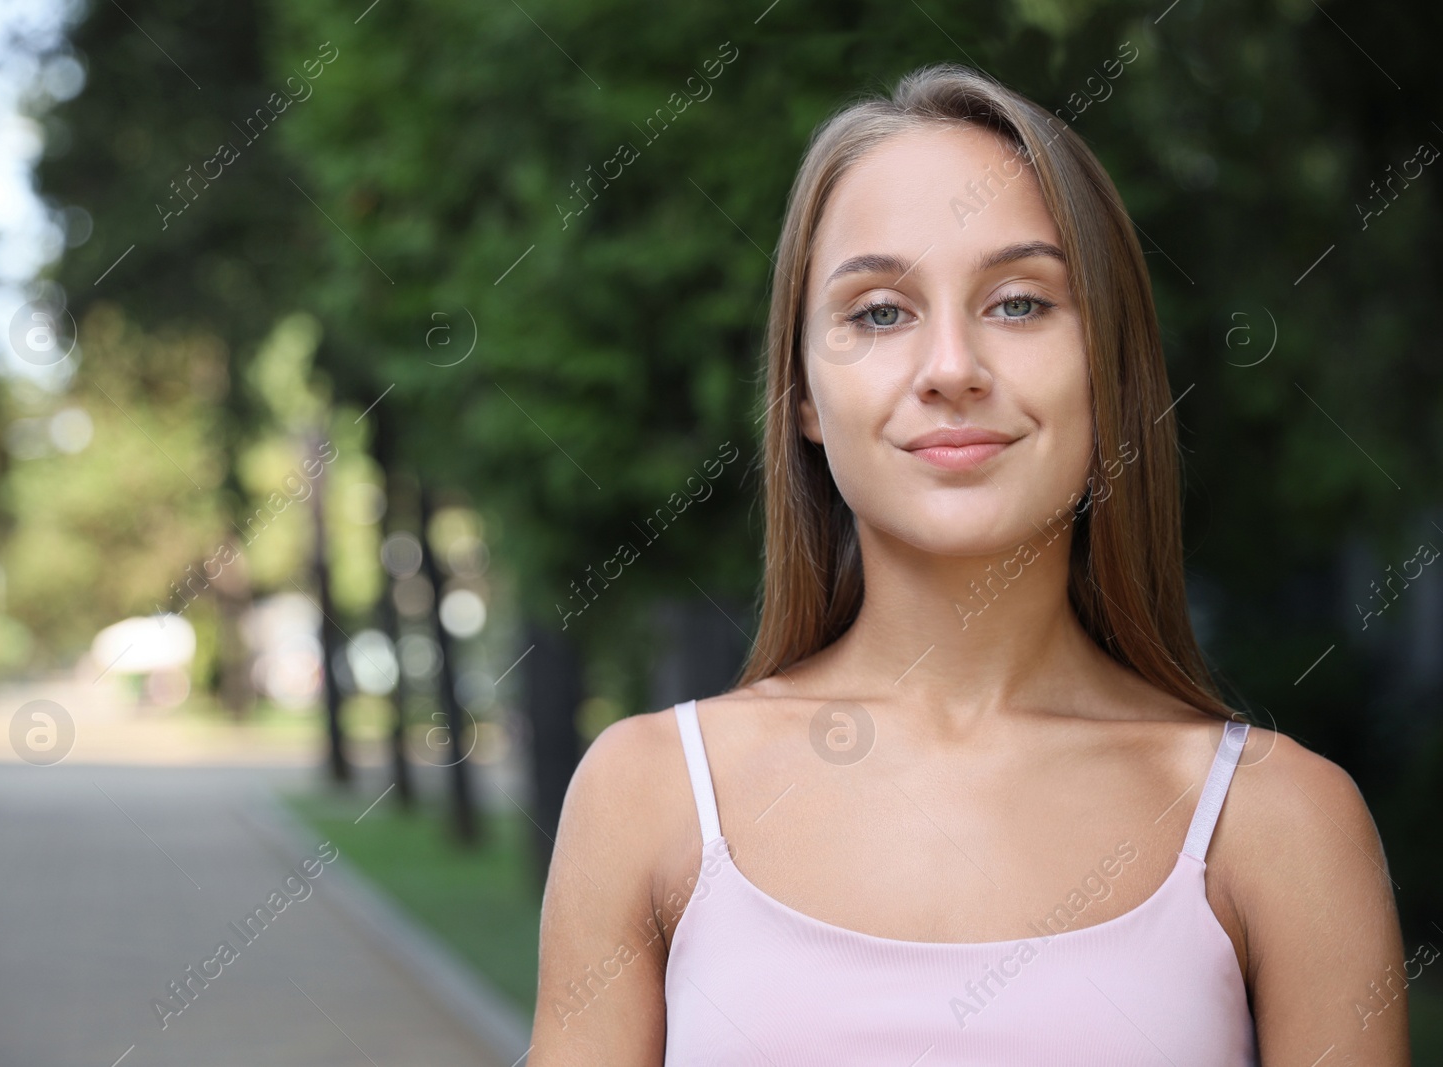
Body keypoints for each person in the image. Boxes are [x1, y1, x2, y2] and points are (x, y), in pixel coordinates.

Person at [529, 63, 1408, 1066]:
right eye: (879, 312)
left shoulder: (1279, 821)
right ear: (804, 396)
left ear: (1112, 370)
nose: (950, 367)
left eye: (1020, 303)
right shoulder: (647, 796)